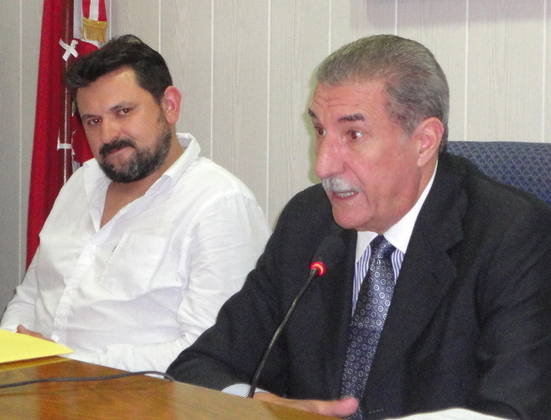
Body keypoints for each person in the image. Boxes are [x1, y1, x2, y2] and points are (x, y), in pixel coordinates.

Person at [167, 35, 551, 420]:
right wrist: (265, 406)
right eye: (320, 131)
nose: (323, 166)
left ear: (424, 142)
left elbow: (516, 407)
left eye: (353, 135)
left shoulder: (511, 235)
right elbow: (198, 369)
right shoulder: (306, 222)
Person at [0, 34, 270, 373]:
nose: (108, 134)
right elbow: (30, 296)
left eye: (123, 112)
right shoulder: (80, 184)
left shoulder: (218, 204)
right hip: (38, 391)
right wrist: (15, 350)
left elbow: (211, 351)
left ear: (169, 105)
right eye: (92, 121)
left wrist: (69, 366)